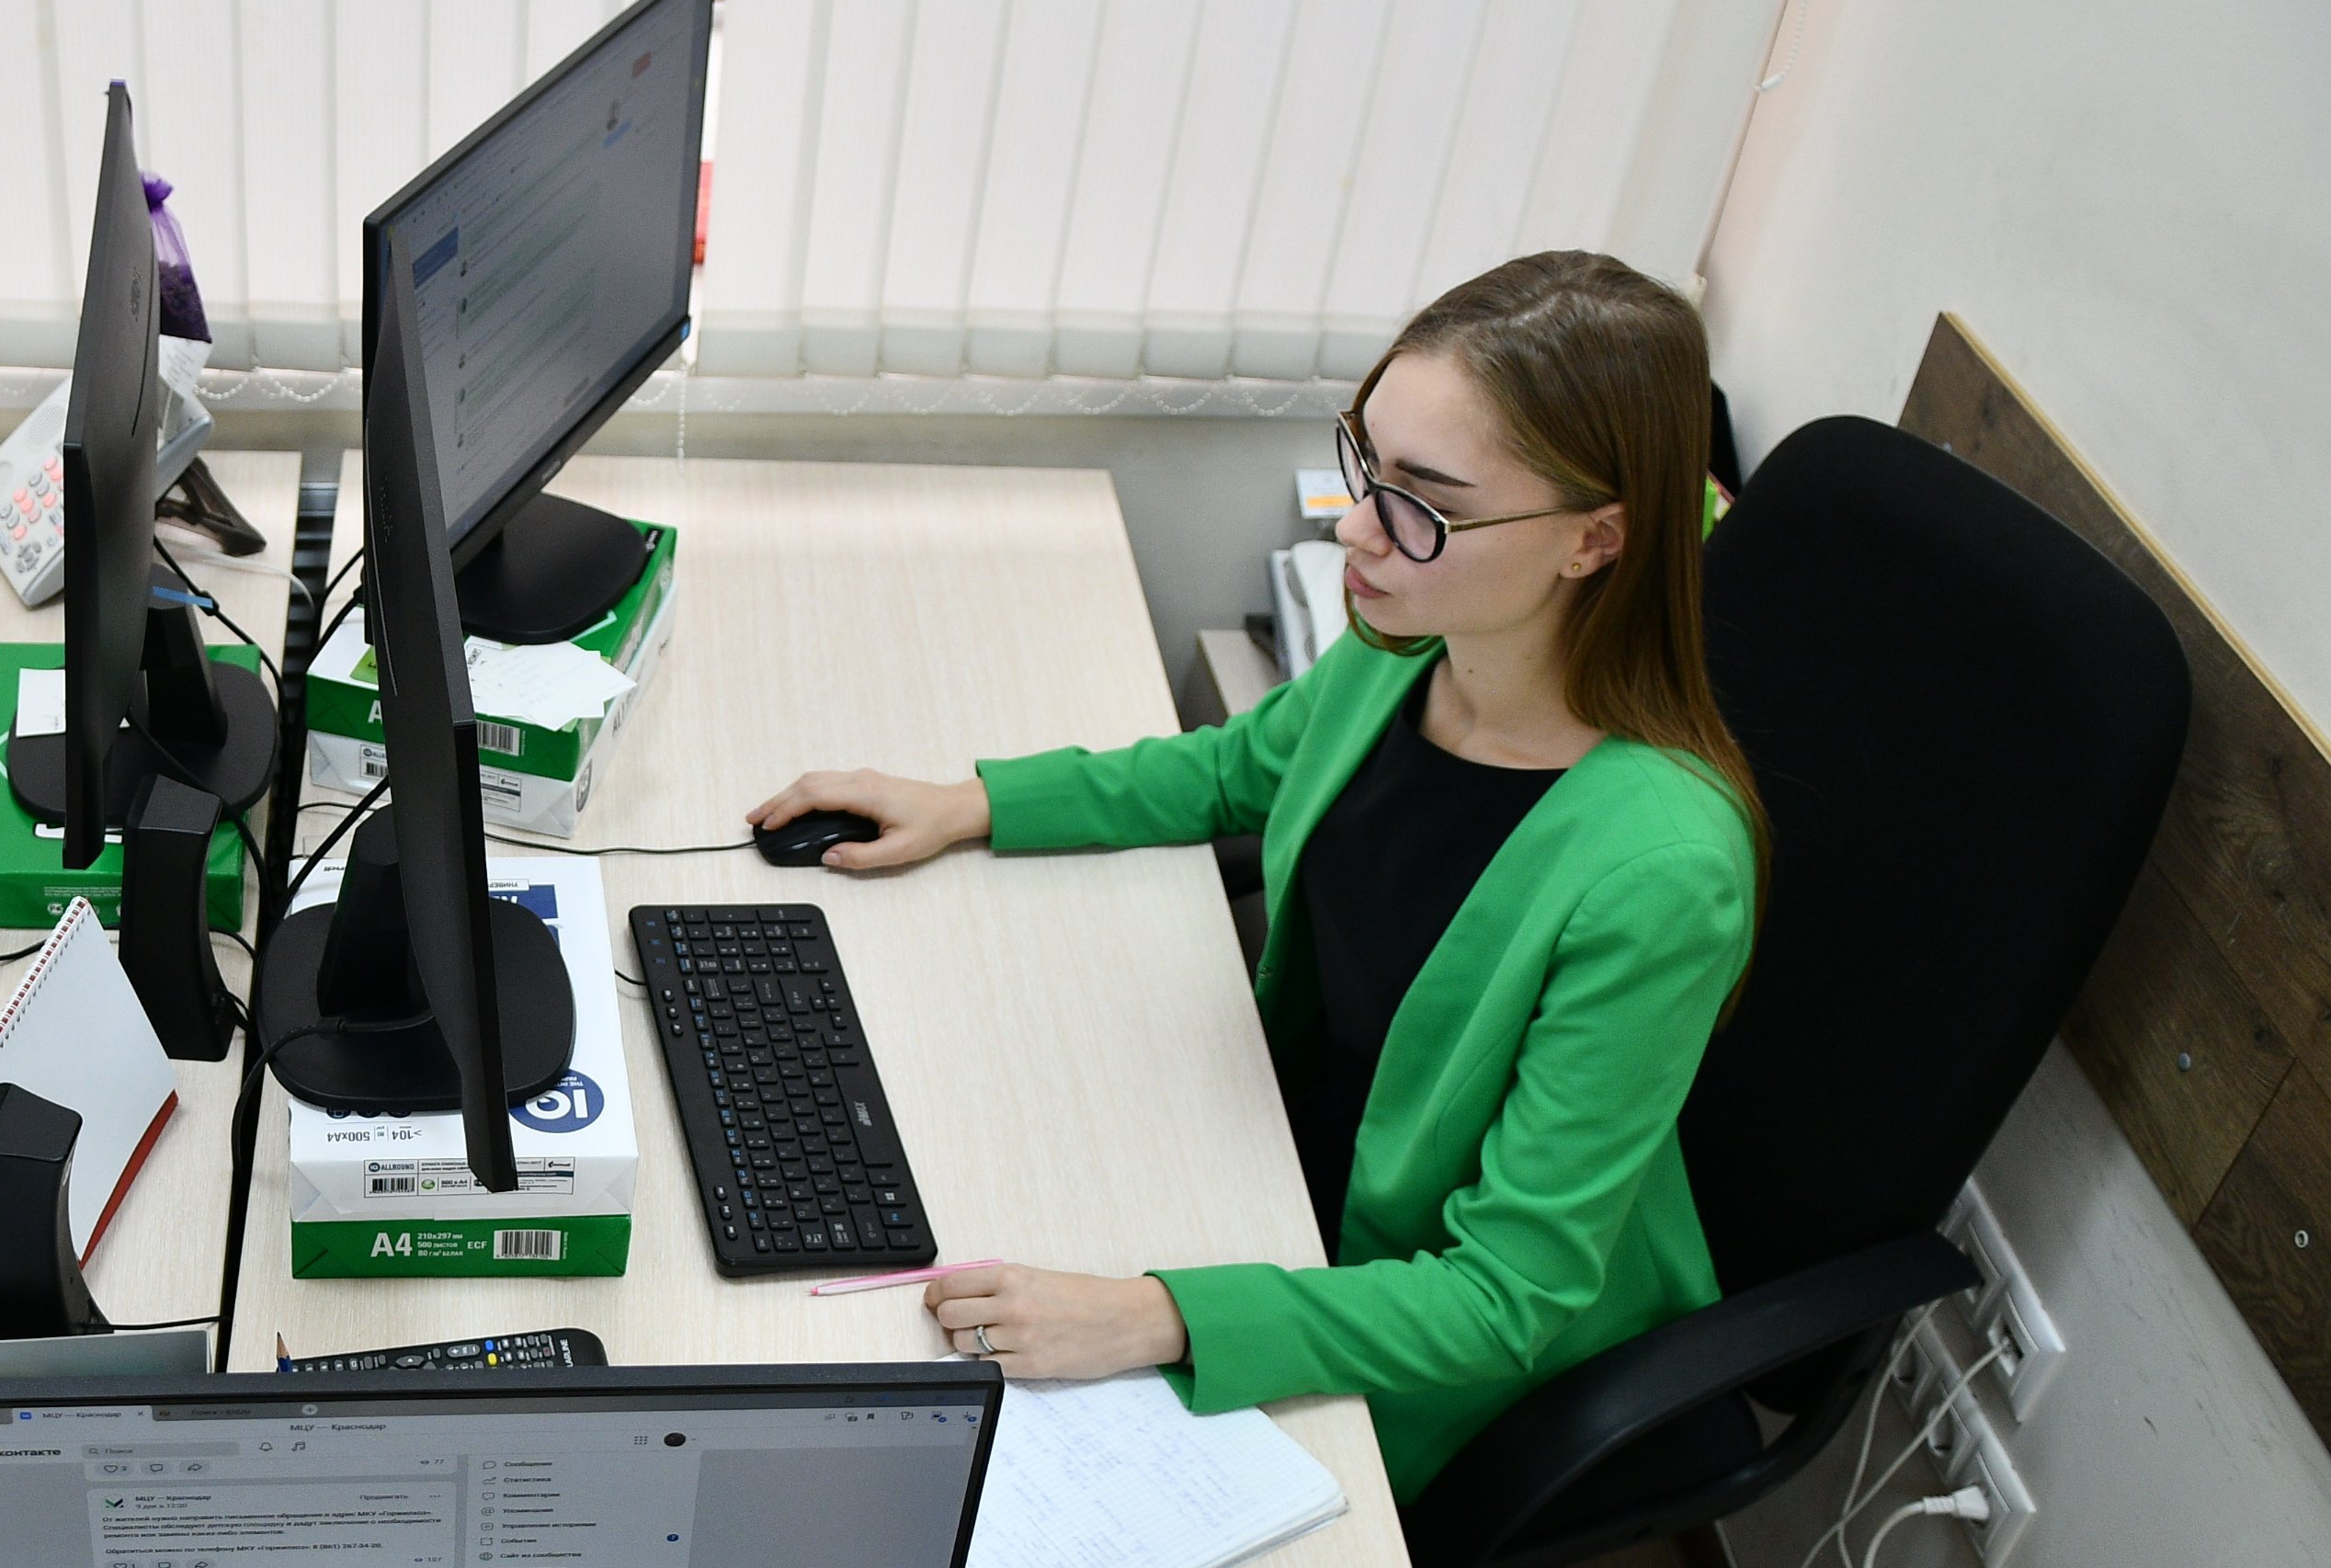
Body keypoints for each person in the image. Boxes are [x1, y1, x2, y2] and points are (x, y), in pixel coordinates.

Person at [752, 251, 1761, 1496]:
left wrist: (1157, 1315)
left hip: (1438, 1332)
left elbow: (1506, 1298)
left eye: (1424, 506)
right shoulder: (1411, 644)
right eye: (1366, 466)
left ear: (1593, 539)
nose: (1356, 529)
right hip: (1276, 1170)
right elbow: (1240, 768)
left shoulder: (1662, 874)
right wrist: (971, 803)